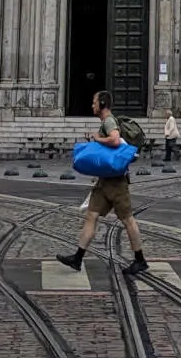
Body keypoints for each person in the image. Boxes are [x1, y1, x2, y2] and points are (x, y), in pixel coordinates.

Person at [58, 91, 147, 275]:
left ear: (102, 103)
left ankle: (140, 260)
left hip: (116, 183)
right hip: (104, 181)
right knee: (92, 216)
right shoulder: (105, 122)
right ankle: (77, 257)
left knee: (128, 220)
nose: (92, 105)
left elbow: (114, 140)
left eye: (94, 102)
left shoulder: (109, 121)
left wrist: (97, 139)